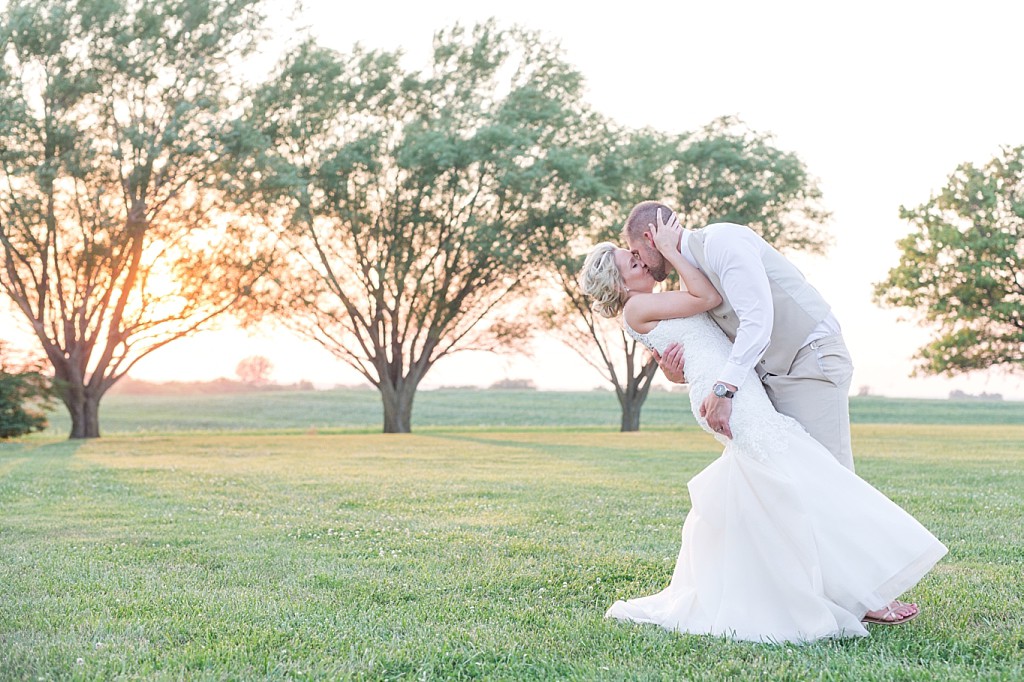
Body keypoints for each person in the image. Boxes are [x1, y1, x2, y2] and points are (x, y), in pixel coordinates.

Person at [578, 211, 947, 643]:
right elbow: (708, 300)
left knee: (778, 485)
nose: (641, 262)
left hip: (738, 387)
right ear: (621, 284)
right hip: (728, 395)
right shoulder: (641, 303)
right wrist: (673, 254)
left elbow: (702, 336)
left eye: (637, 254)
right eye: (633, 262)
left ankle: (811, 587)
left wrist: (681, 369)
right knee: (804, 477)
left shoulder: (719, 247)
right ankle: (853, 594)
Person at [621, 200, 855, 472]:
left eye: (636, 252)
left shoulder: (722, 242)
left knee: (832, 475)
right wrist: (678, 372)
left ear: (650, 238)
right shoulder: (690, 282)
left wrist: (724, 390)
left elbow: (757, 322)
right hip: (768, 377)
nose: (641, 264)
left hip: (809, 357)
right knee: (788, 478)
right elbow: (715, 346)